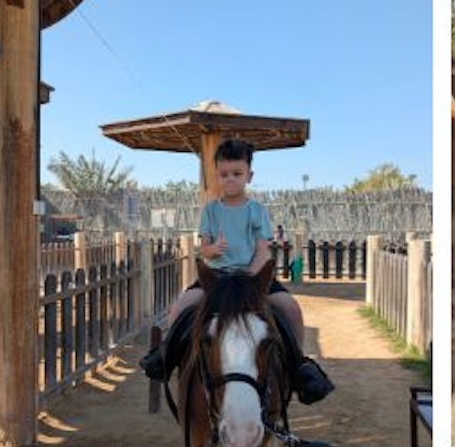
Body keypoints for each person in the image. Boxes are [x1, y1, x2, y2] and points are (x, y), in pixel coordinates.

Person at [139, 137, 332, 404]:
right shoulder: (210, 210)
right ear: (216, 175)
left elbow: (263, 250)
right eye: (224, 174)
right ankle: (167, 355)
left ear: (249, 175)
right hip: (216, 279)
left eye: (237, 174)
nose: (230, 179)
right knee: (182, 305)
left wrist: (252, 280)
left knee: (290, 308)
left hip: (253, 277)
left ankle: (298, 365)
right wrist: (213, 249)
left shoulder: (256, 210)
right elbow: (203, 249)